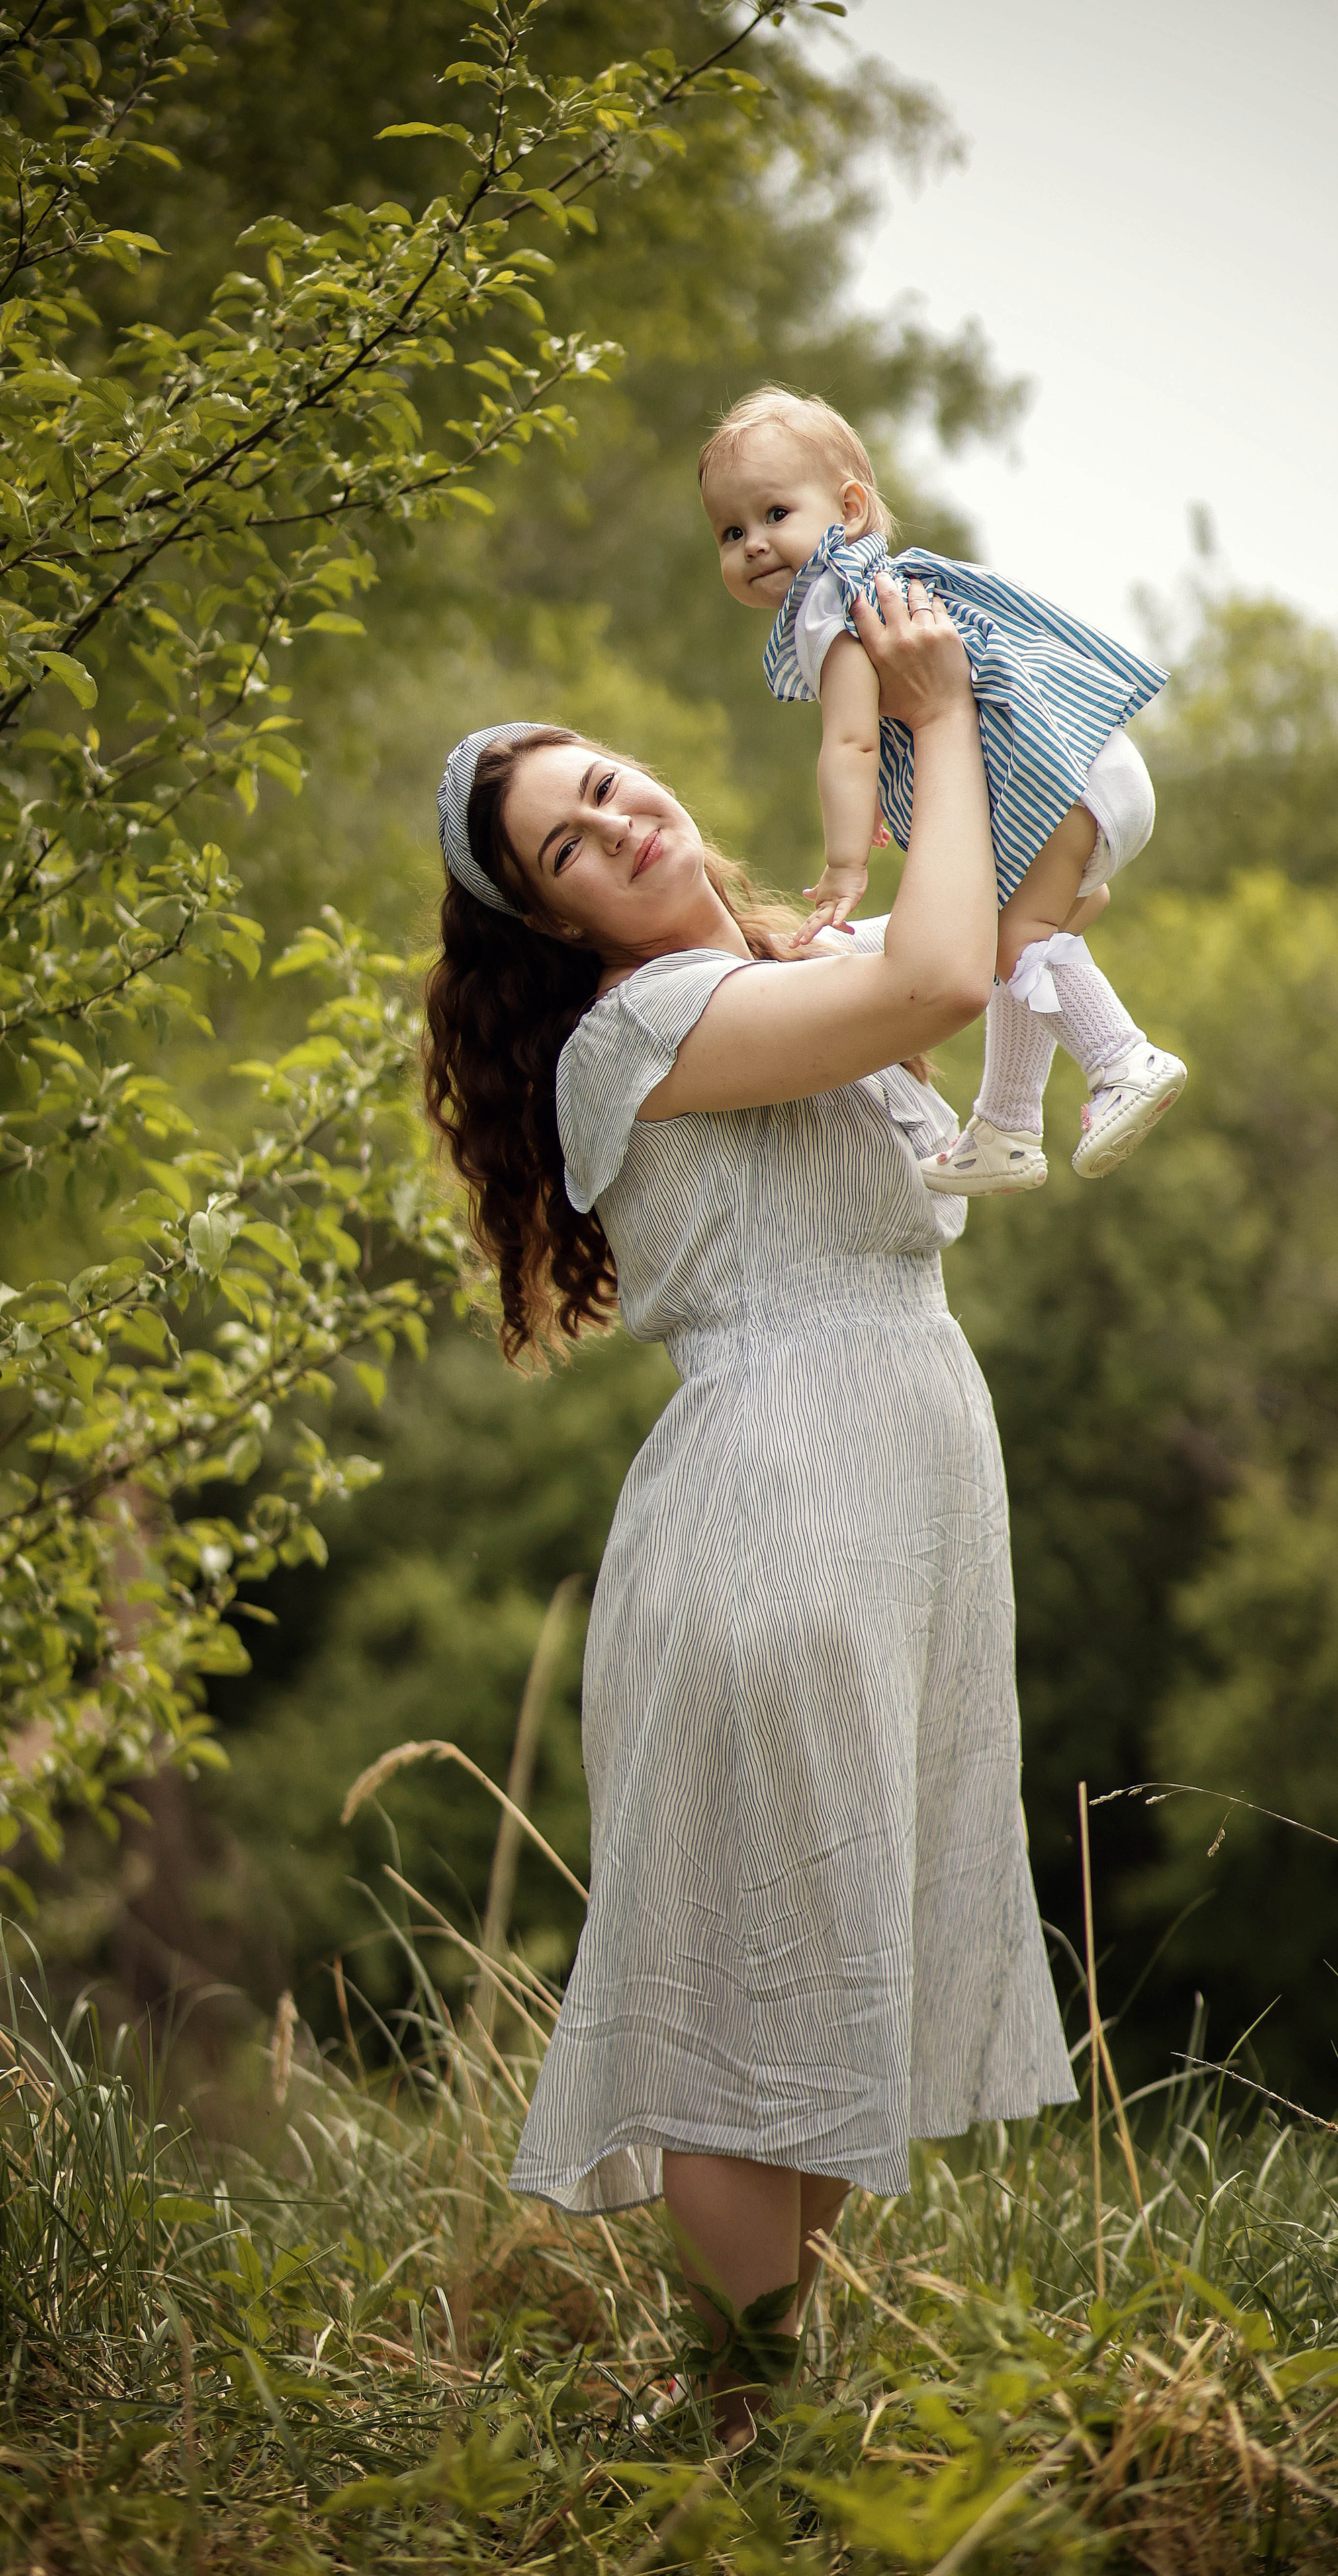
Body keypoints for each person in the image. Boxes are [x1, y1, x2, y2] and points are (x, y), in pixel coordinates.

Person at [422, 573, 1075, 2444]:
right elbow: (943, 984)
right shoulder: (639, 1029)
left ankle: (747, 2419)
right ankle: (743, 2440)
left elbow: (990, 939)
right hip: (772, 1515)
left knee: (846, 1981)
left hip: (900, 1498)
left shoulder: (786, 965)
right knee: (743, 2012)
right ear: (554, 920)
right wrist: (931, 726)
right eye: (571, 839)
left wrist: (963, 713)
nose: (622, 817)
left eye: (609, 781)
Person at [699, 383, 1188, 1194]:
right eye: (730, 530)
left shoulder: (834, 605)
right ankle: (1004, 1128)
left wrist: (847, 863)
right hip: (1089, 768)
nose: (752, 544)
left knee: (1018, 937)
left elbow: (851, 742)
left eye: (774, 514)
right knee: (1002, 936)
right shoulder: (879, 580)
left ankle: (1120, 1060)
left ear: (848, 506)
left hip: (1058, 785)